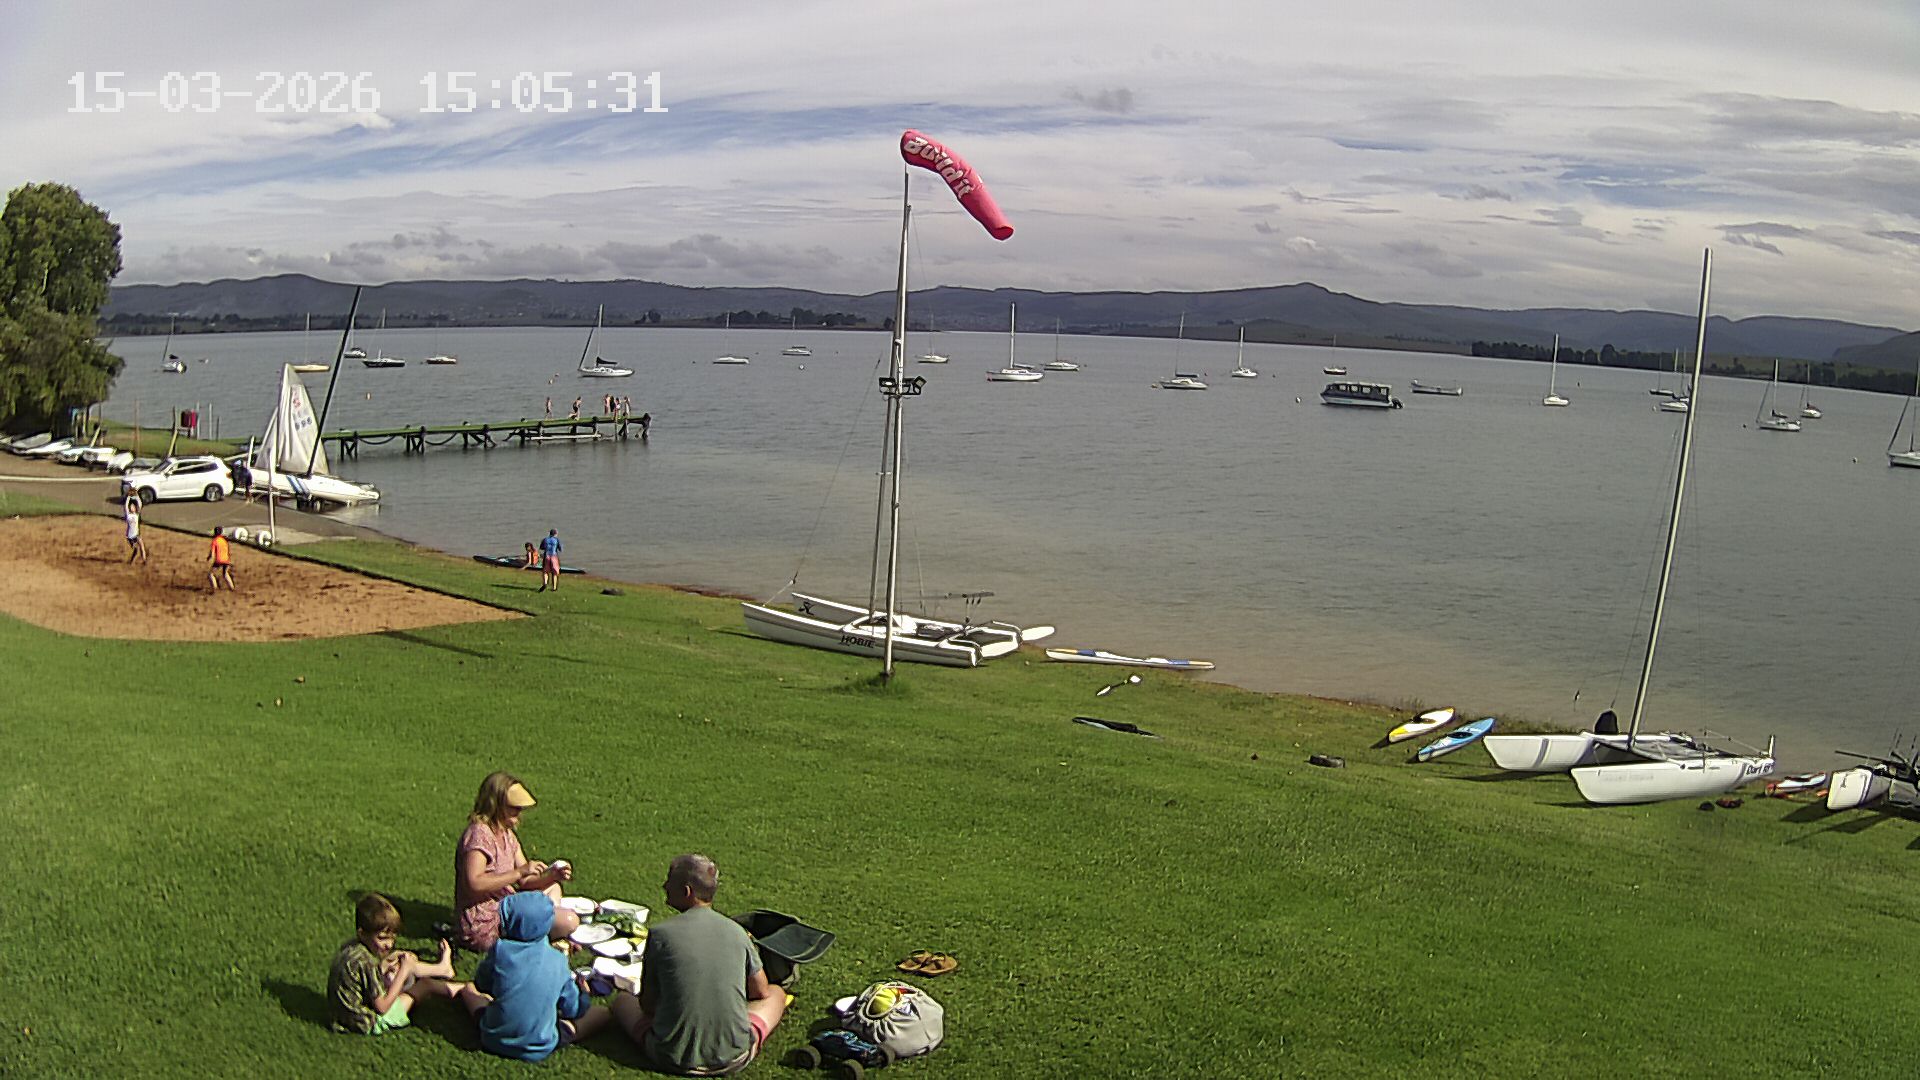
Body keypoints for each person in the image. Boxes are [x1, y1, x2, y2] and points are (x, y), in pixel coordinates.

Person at [611, 854, 787, 1076]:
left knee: (623, 1001)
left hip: (670, 1057)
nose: (664, 886)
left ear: (687, 892)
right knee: (776, 993)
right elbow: (761, 991)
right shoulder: (737, 931)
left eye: (669, 881)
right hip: (734, 1057)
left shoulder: (660, 934)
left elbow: (648, 1006)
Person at [471, 891, 612, 1061]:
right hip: (539, 1045)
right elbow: (572, 1010)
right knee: (602, 1013)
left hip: (492, 1039)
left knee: (470, 991)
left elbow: (481, 984)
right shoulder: (558, 960)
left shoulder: (500, 950)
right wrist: (583, 994)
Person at [327, 892, 478, 1035]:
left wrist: (388, 961)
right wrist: (404, 971)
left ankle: (443, 970)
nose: (389, 944)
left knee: (399, 968)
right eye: (382, 938)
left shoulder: (351, 947)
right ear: (362, 933)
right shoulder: (367, 962)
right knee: (424, 985)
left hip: (340, 1016)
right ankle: (467, 989)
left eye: (392, 938)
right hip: (367, 1021)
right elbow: (382, 1007)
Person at [454, 772, 571, 953]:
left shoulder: (508, 835)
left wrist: (552, 876)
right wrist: (518, 872)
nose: (519, 812)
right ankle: (540, 933)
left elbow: (525, 882)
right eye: (513, 807)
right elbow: (474, 883)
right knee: (569, 922)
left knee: (553, 888)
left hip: (507, 904)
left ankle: (539, 929)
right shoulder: (479, 835)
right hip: (487, 920)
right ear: (496, 804)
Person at [207, 526, 235, 592]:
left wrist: (209, 557)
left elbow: (212, 553)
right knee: (225, 574)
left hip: (219, 560)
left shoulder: (215, 541)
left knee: (211, 574)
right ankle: (232, 587)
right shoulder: (224, 540)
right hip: (226, 560)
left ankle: (214, 588)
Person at [123, 497, 148, 564]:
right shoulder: (128, 516)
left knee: (142, 546)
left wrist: (137, 496)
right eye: (131, 507)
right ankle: (131, 561)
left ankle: (144, 560)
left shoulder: (137, 515)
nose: (132, 508)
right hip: (130, 536)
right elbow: (126, 506)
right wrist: (128, 498)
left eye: (133, 506)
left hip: (137, 534)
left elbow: (140, 504)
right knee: (136, 550)